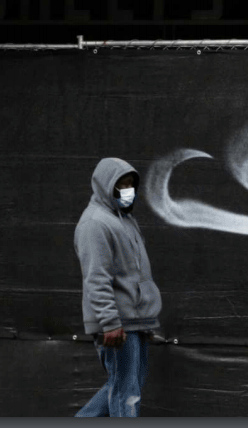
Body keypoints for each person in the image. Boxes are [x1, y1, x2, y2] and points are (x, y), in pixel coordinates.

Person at [73, 157, 162, 417]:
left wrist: (146, 319)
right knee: (126, 395)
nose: (127, 191)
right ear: (104, 186)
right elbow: (96, 278)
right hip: (118, 325)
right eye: (120, 185)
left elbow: (135, 274)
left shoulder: (124, 220)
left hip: (135, 322)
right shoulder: (95, 224)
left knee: (124, 388)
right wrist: (110, 322)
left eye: (130, 184)